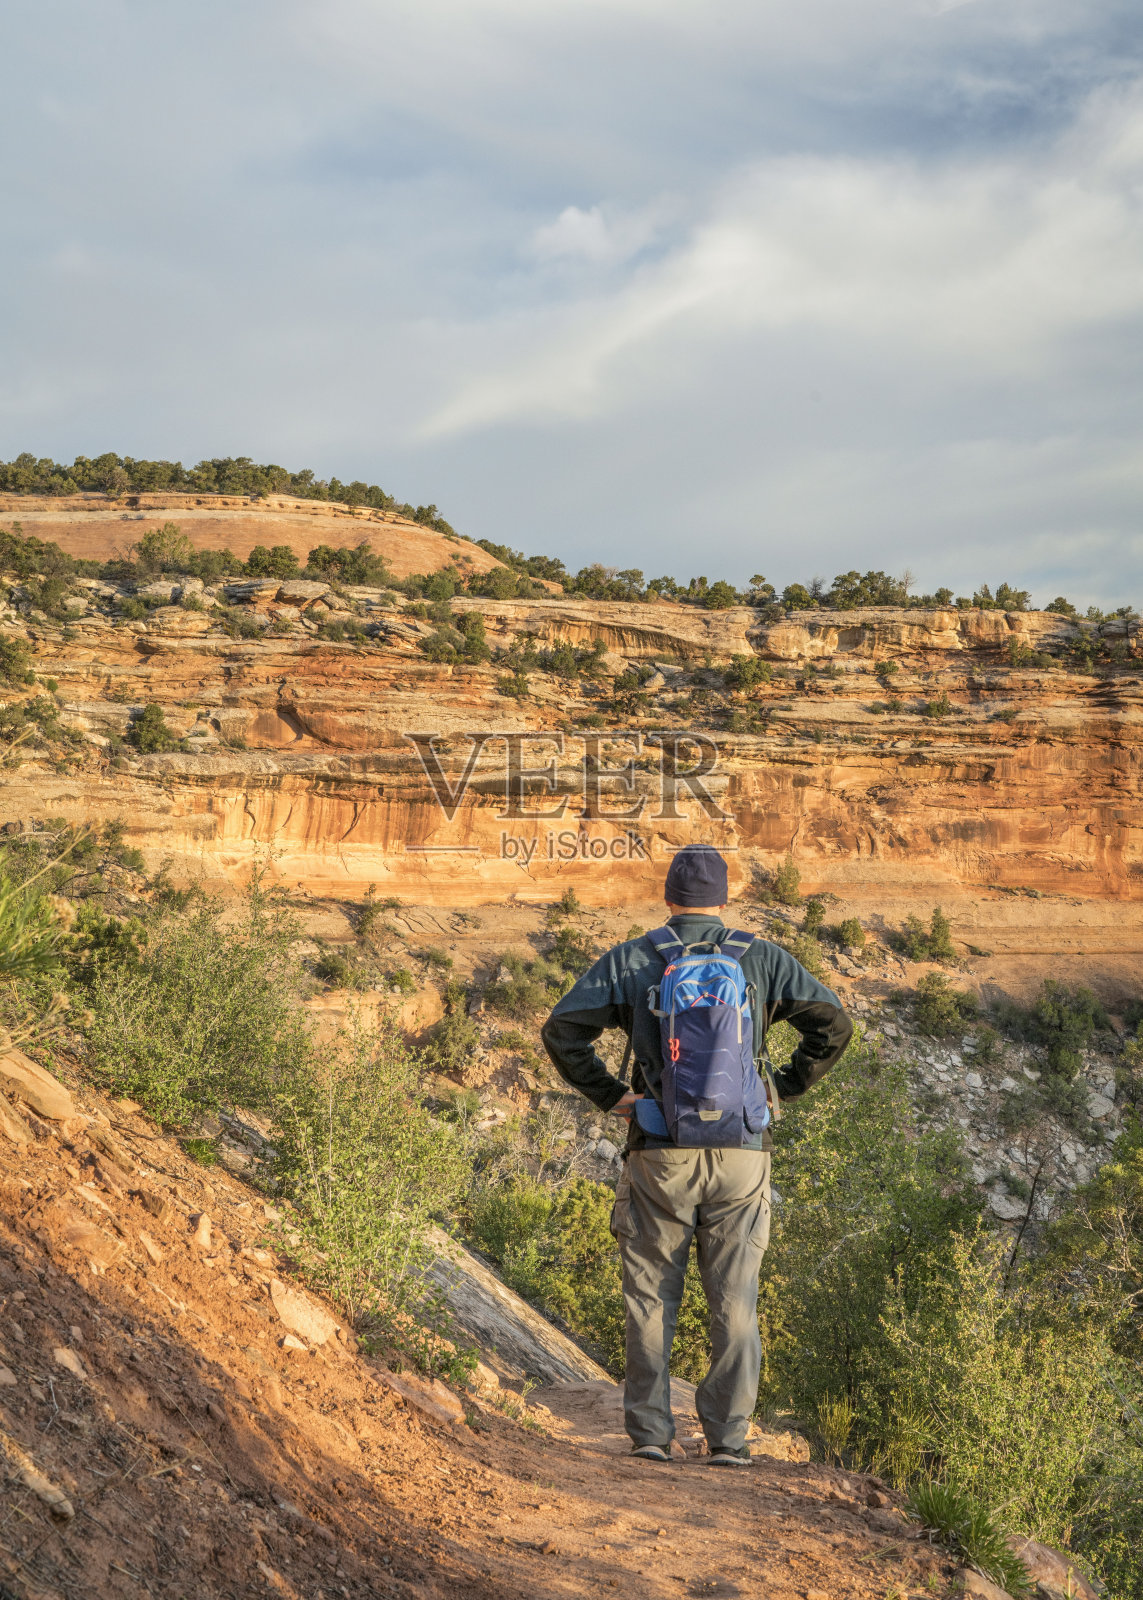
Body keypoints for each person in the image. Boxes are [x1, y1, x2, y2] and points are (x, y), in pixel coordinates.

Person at [540, 844, 852, 1466]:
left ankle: (651, 1436)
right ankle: (729, 1440)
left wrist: (613, 1096)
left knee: (650, 1296)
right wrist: (779, 1089)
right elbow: (834, 1026)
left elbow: (562, 1032)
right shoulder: (761, 958)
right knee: (736, 1300)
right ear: (724, 899)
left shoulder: (634, 958)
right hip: (742, 1153)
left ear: (668, 897)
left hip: (660, 1148)